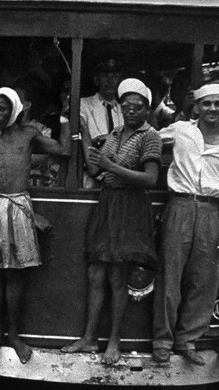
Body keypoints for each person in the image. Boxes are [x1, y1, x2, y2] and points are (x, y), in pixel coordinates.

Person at [0, 88, 71, 364]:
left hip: (16, 207)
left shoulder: (29, 135)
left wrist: (64, 117)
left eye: (2, 109)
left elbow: (64, 150)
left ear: (14, 111)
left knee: (14, 275)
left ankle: (13, 335)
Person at [61, 79, 162, 364]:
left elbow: (150, 179)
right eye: (126, 105)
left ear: (146, 109)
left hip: (130, 206)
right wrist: (82, 133)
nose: (131, 110)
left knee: (118, 277)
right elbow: (96, 169)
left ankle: (113, 342)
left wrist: (110, 166)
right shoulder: (115, 133)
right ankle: (89, 339)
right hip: (108, 202)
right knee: (96, 274)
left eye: (137, 106)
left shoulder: (149, 135)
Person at [153, 82, 219, 365]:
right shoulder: (181, 130)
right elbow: (149, 139)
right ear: (196, 107)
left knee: (204, 281)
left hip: (210, 212)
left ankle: (187, 340)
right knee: (170, 276)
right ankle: (162, 342)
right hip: (180, 205)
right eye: (207, 104)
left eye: (218, 104)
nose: (212, 109)